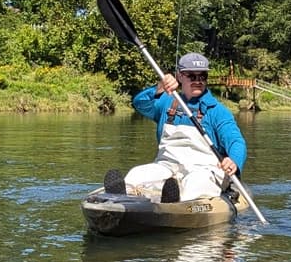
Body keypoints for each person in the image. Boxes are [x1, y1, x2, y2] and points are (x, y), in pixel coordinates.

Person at [105, 52, 246, 203]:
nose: (198, 81)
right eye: (192, 76)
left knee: (196, 182)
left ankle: (174, 203)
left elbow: (236, 141)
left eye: (202, 76)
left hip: (205, 169)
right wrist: (160, 87)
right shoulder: (167, 102)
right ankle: (121, 198)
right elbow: (139, 103)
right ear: (180, 76)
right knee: (137, 174)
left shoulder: (217, 111)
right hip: (167, 166)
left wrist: (234, 161)